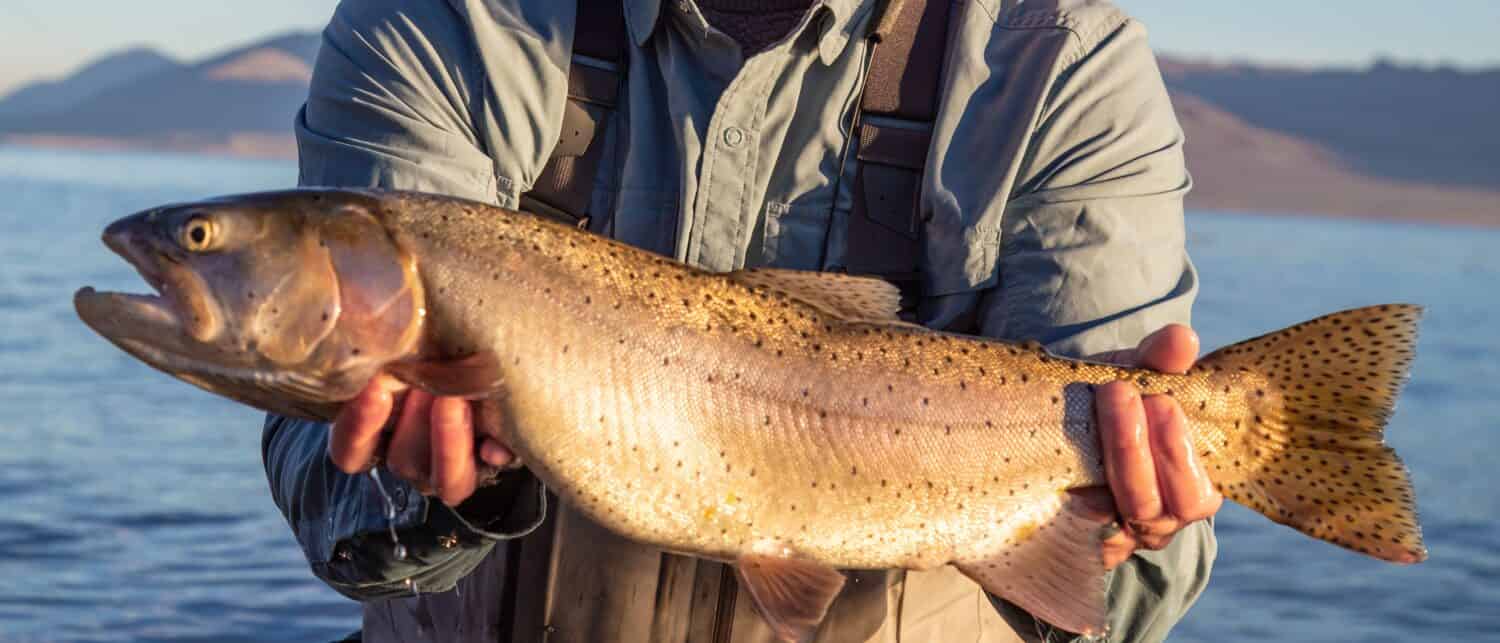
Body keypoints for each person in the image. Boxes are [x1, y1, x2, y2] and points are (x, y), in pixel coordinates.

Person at [264, 0, 1222, 640]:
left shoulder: (1058, 61)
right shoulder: (450, 22)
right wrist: (448, 491)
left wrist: (1123, 523)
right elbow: (328, 488)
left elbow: (1134, 593)